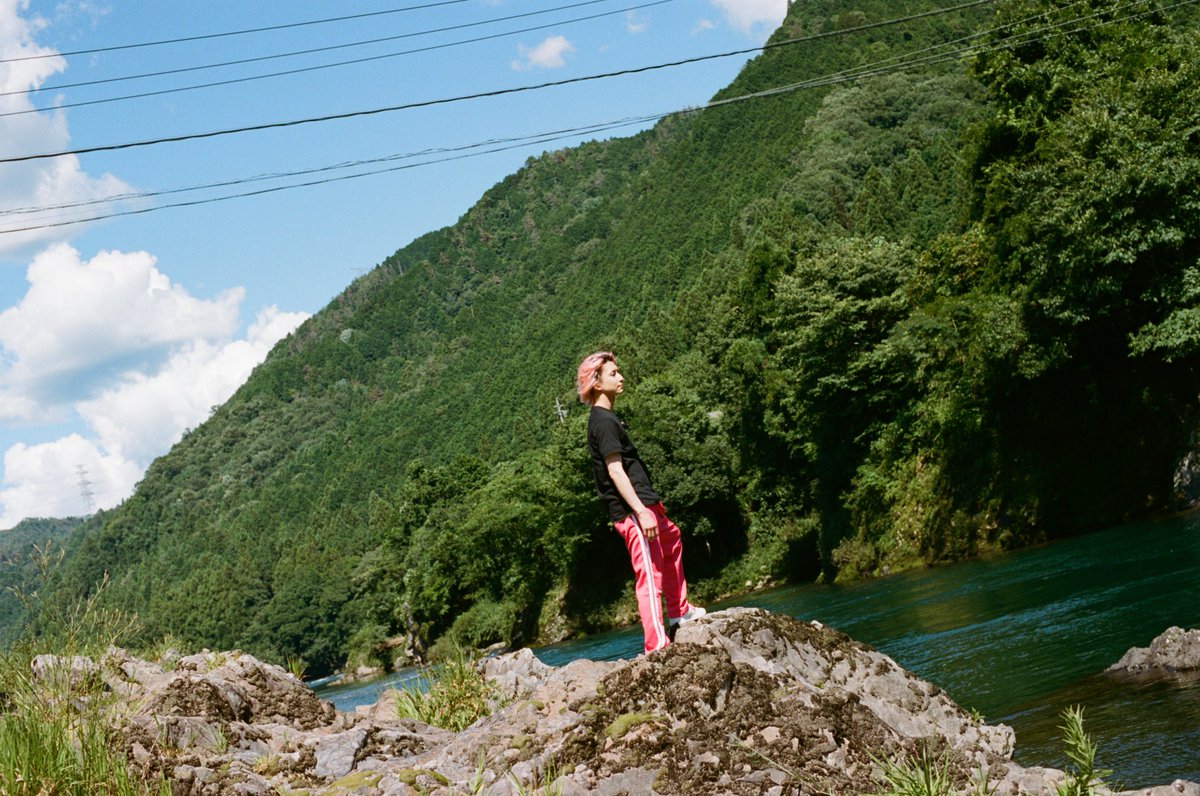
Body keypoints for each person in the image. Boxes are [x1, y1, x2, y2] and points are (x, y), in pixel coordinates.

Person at [576, 351, 705, 654]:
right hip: (633, 511)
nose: (620, 378)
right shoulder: (602, 422)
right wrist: (640, 511)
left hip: (645, 504)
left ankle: (679, 611)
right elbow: (615, 470)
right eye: (613, 374)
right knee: (649, 572)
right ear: (596, 383)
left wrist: (651, 506)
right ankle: (656, 644)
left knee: (672, 538)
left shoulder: (608, 418)